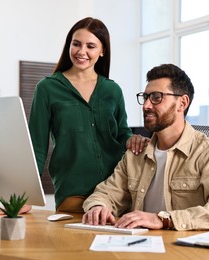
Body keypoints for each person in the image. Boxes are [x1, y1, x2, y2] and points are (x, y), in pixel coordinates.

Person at [82, 63, 209, 230]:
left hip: (185, 252)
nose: (146, 105)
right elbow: (105, 193)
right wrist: (98, 207)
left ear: (182, 103)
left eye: (156, 97)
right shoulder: (136, 154)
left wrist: (163, 219)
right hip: (139, 248)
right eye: (145, 97)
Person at [28, 17, 148, 213]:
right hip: (73, 191)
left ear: (102, 51)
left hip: (115, 191)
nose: (81, 51)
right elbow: (36, 146)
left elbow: (122, 134)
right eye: (76, 44)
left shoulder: (112, 90)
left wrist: (132, 140)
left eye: (90, 46)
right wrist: (27, 194)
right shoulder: (47, 88)